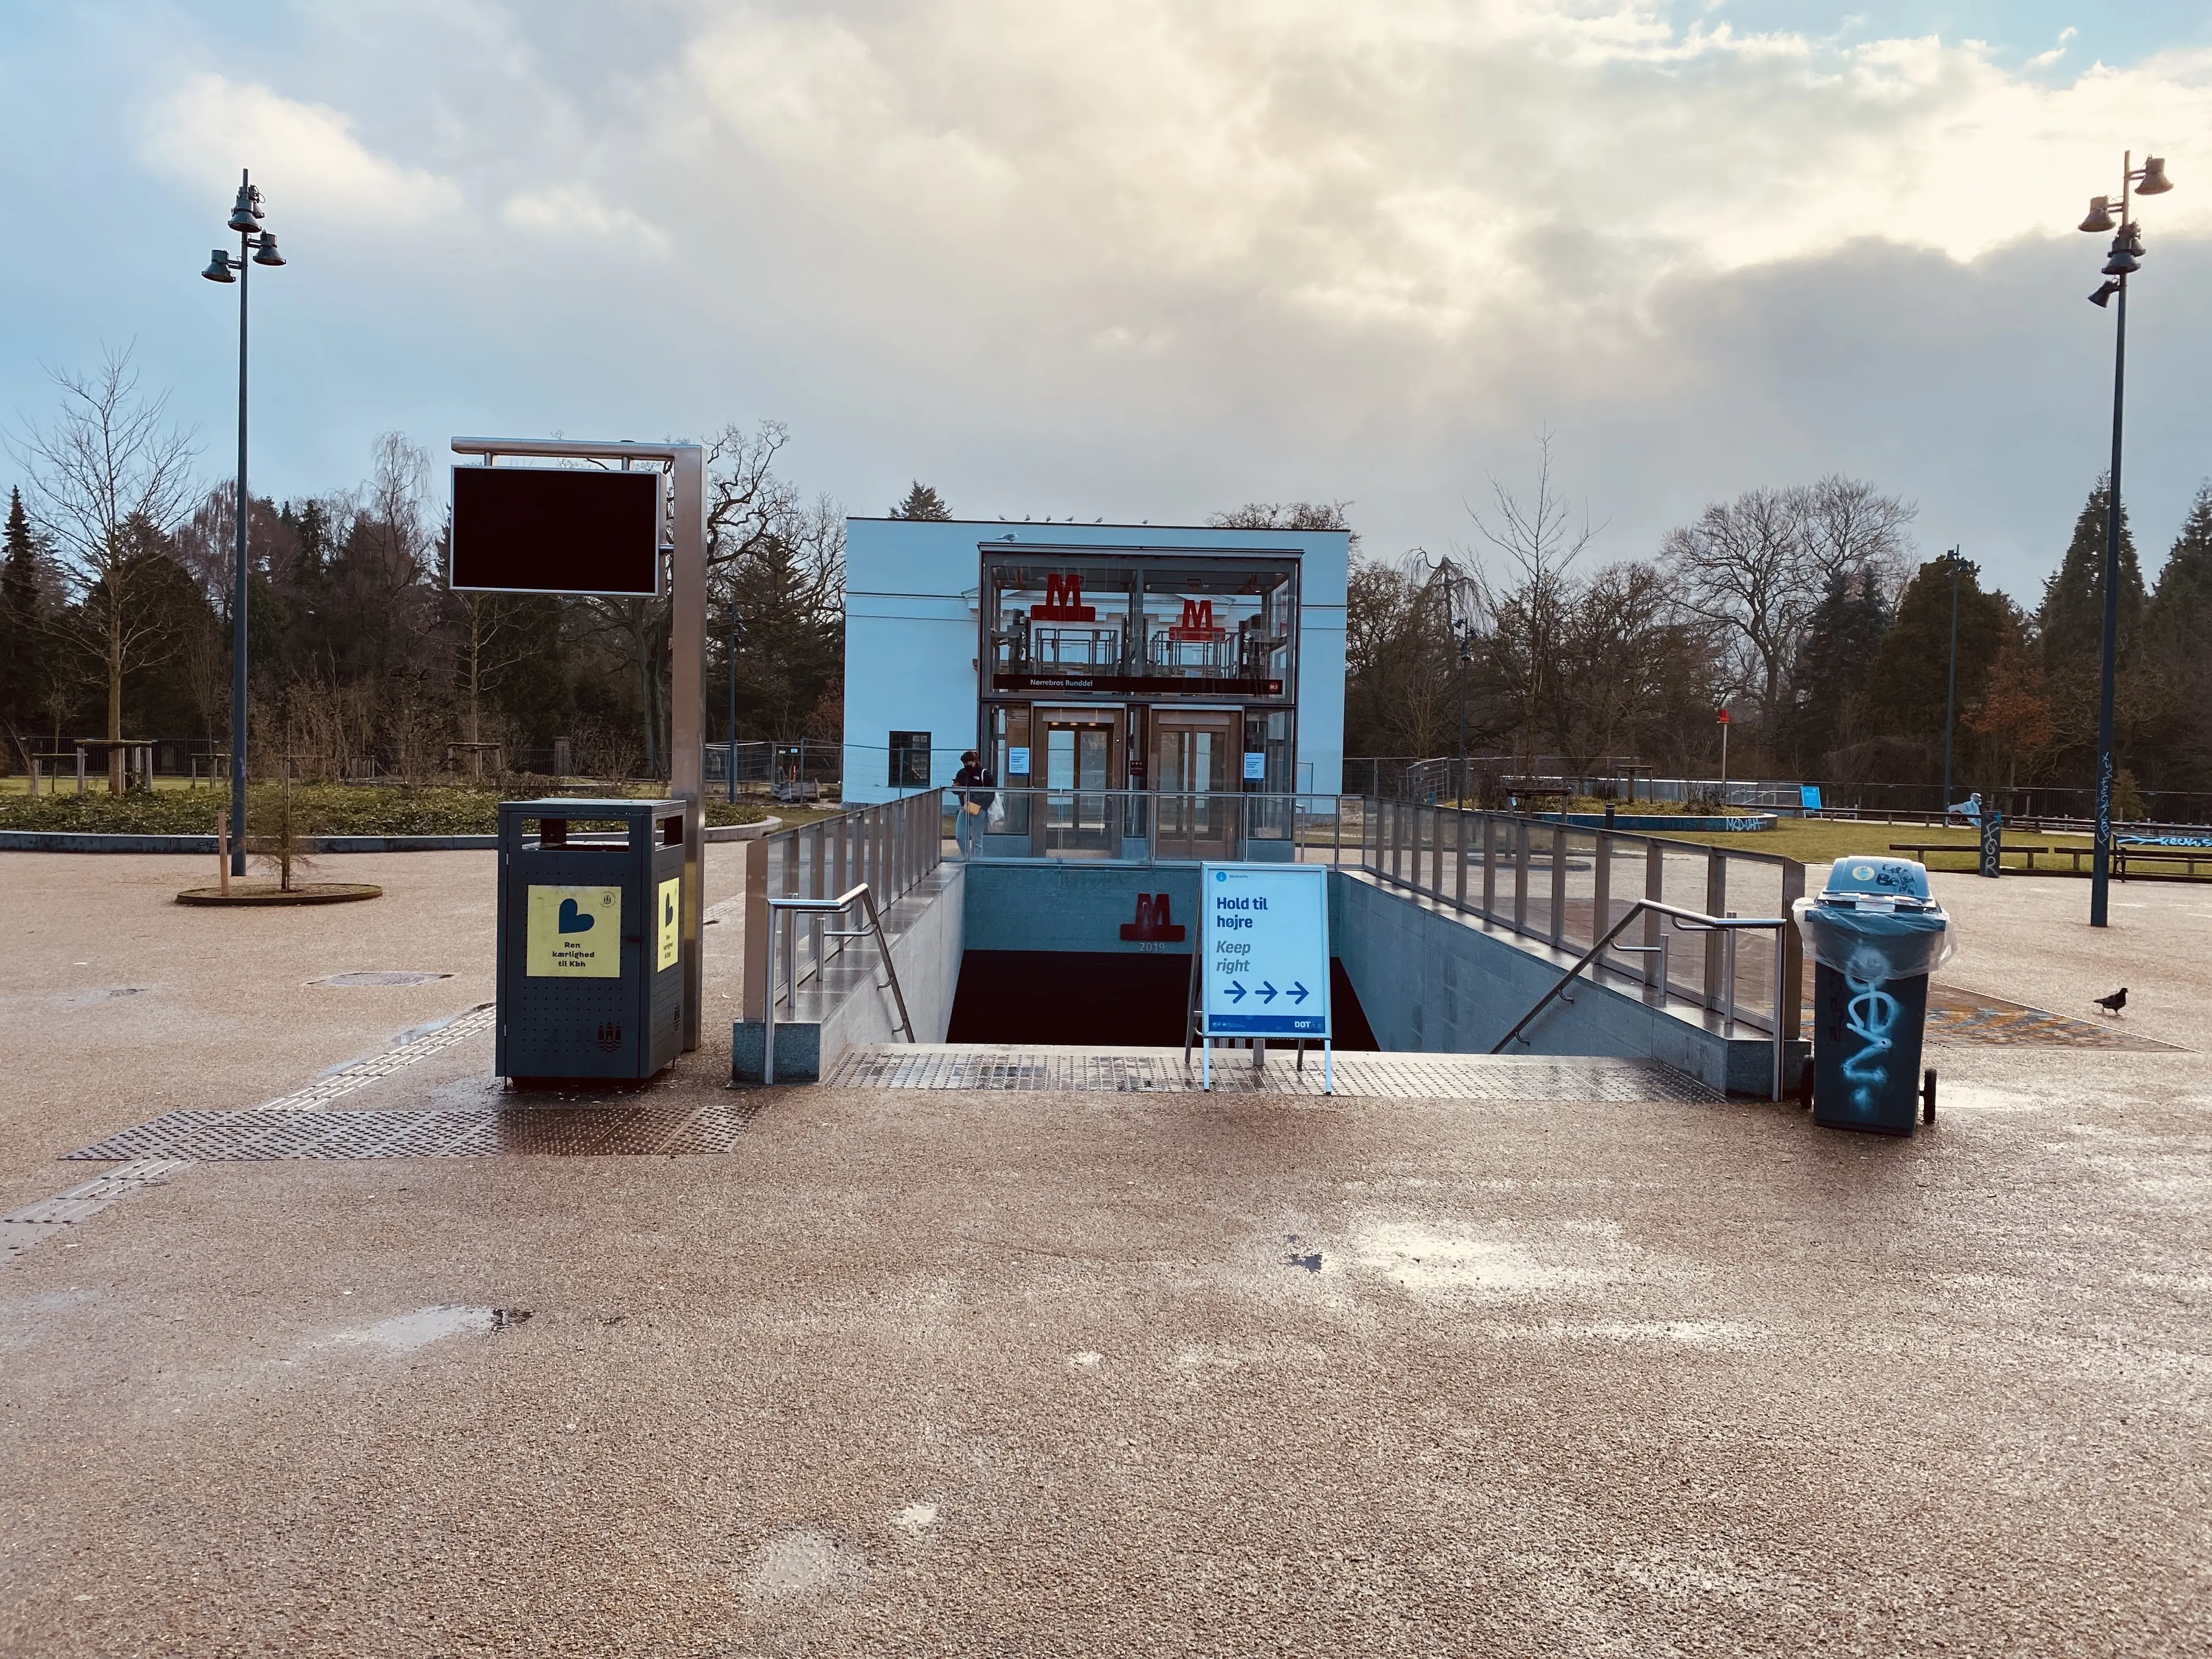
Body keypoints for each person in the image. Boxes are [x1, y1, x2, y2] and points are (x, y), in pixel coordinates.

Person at [952, 749, 995, 857]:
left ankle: (977, 860)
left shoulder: (984, 773)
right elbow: (957, 791)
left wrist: (983, 807)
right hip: (965, 808)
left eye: (968, 763)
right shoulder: (962, 773)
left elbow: (991, 792)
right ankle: (966, 857)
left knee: (977, 839)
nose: (966, 765)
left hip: (979, 809)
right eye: (964, 763)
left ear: (975, 761)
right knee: (960, 836)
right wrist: (956, 788)